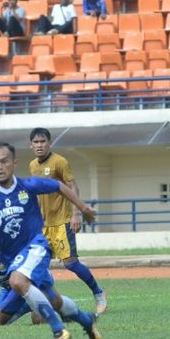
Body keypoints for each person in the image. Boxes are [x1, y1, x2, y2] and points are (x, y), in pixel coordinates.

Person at [0, 142, 101, 339]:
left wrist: (82, 208)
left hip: (36, 247)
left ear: (14, 163)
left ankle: (58, 329)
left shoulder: (27, 186)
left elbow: (59, 186)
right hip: (12, 258)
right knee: (55, 301)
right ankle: (86, 321)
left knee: (17, 281)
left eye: (4, 161)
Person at [28, 128, 108, 314]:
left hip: (62, 220)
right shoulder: (33, 165)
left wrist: (76, 213)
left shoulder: (60, 162)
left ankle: (98, 293)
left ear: (50, 143)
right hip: (43, 224)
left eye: (43, 141)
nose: (39, 145)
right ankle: (43, 303)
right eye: (36, 142)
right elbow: (37, 192)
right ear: (30, 145)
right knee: (38, 264)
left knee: (71, 263)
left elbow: (72, 186)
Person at [0, 225, 86, 328]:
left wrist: (2, 307)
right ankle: (29, 305)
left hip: (35, 284)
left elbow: (20, 282)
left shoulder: (6, 253)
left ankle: (57, 302)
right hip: (11, 290)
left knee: (39, 321)